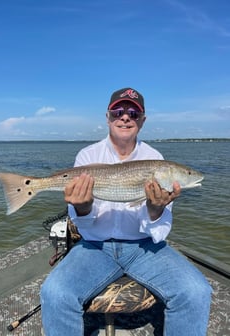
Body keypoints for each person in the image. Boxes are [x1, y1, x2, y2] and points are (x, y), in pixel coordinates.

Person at [40, 88, 212, 336]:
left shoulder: (155, 159)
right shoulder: (88, 156)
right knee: (55, 293)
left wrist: (155, 209)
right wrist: (82, 206)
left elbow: (160, 231)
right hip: (95, 247)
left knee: (196, 291)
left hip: (144, 248)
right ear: (108, 117)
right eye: (118, 112)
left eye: (133, 112)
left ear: (142, 120)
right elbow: (83, 223)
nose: (125, 117)